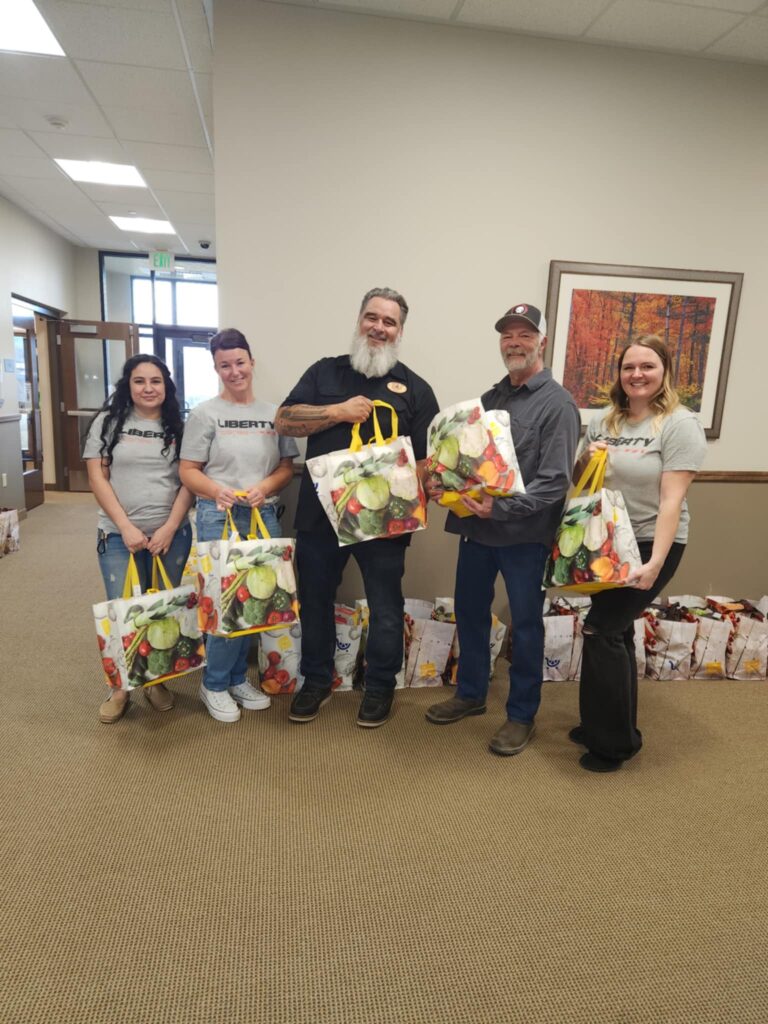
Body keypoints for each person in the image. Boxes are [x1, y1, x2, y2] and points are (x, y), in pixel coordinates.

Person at [275, 287, 439, 728]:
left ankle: (380, 685)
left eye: (389, 321)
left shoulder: (417, 389)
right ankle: (316, 681)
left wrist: (419, 495)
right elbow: (283, 420)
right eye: (372, 317)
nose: (379, 327)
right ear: (359, 319)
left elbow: (427, 461)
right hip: (320, 516)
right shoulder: (323, 372)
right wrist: (337, 412)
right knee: (315, 599)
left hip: (384, 521)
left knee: (385, 606)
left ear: (400, 330)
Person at [426, 303, 580, 756]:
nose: (514, 342)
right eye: (508, 335)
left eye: (524, 335)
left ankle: (521, 715)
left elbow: (554, 483)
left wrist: (502, 508)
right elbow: (472, 464)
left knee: (526, 626)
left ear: (542, 342)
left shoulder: (559, 404)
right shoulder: (489, 399)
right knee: (470, 613)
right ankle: (471, 693)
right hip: (477, 530)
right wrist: (443, 483)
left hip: (524, 538)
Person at [569, 334, 707, 772]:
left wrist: (655, 564)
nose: (637, 374)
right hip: (607, 540)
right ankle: (604, 723)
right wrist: (587, 457)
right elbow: (579, 477)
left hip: (652, 542)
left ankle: (613, 744)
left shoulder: (679, 424)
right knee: (617, 631)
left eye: (647, 366)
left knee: (601, 629)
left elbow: (672, 500)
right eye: (629, 367)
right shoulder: (605, 419)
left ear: (664, 371)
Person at [179, 328, 298, 723]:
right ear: (216, 369)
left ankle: (234, 678)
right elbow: (188, 470)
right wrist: (217, 490)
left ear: (252, 362)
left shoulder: (274, 413)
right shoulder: (204, 414)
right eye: (224, 365)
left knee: (254, 600)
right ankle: (213, 683)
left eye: (240, 362)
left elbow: (286, 467)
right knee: (223, 601)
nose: (234, 371)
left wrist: (266, 487)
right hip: (219, 515)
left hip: (263, 515)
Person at [85, 354, 194, 724]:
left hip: (170, 535)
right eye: (139, 381)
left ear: (167, 386)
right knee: (123, 610)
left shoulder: (180, 426)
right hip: (119, 535)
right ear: (127, 385)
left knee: (161, 609)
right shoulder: (107, 422)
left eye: (156, 381)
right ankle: (120, 688)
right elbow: (97, 478)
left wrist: (169, 527)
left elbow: (188, 481)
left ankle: (155, 680)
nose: (148, 388)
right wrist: (126, 526)